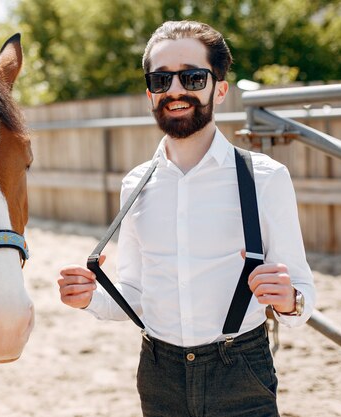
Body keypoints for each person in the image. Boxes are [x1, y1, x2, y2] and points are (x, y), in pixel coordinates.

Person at [57, 20, 315, 417]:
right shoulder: (135, 185)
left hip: (241, 371)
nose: (175, 90)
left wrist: (289, 301)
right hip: (158, 373)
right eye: (161, 80)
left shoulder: (265, 178)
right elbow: (135, 292)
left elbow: (301, 291)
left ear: (220, 89)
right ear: (150, 94)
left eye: (192, 77)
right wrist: (88, 297)